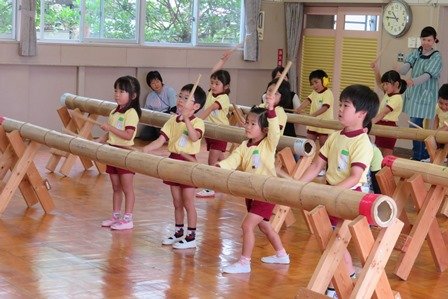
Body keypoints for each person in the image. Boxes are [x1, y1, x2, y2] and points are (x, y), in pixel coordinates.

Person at [299, 84, 379, 297]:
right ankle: (348, 277)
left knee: (335, 240)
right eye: (341, 104)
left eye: (346, 105)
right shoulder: (335, 136)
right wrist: (296, 185)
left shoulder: (363, 143)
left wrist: (330, 192)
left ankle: (337, 285)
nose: (340, 108)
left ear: (362, 114)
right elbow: (316, 166)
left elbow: (354, 177)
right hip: (332, 193)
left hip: (351, 197)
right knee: (331, 240)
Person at [219, 92, 290, 274]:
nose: (247, 126)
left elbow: (275, 130)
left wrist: (272, 109)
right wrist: (219, 166)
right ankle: (282, 254)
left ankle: (244, 262)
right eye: (247, 122)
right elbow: (232, 161)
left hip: (266, 192)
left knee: (247, 225)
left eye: (252, 124)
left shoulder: (268, 143)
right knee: (265, 225)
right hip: (251, 192)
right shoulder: (244, 146)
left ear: (264, 130)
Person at [143, 84, 207, 249]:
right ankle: (178, 232)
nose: (180, 100)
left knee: (188, 201)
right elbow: (160, 141)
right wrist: (144, 150)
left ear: (196, 106)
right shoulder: (172, 121)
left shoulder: (198, 122)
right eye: (180, 96)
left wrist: (186, 119)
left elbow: (194, 137)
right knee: (177, 201)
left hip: (189, 164)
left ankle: (191, 236)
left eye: (186, 98)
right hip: (173, 162)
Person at [99, 76, 142, 230]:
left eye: (122, 91)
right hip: (112, 152)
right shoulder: (113, 112)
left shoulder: (131, 113)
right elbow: (109, 135)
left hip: (125, 154)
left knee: (126, 188)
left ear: (133, 95)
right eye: (116, 90)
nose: (117, 94)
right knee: (115, 187)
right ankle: (116, 216)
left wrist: (110, 129)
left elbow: (128, 135)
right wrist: (99, 141)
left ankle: (128, 218)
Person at [398, 26, 443, 161]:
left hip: (425, 94)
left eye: (429, 40)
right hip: (414, 94)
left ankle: (419, 155)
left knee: (414, 125)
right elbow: (406, 68)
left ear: (434, 40)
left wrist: (413, 81)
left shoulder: (436, 56)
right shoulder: (416, 52)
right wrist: (400, 69)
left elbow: (428, 75)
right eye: (424, 39)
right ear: (420, 39)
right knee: (415, 126)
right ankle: (421, 154)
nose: (426, 42)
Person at [196, 51, 233, 198]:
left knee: (212, 159)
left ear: (225, 86)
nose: (213, 85)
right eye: (212, 83)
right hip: (211, 131)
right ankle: (231, 176)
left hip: (220, 132)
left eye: (217, 83)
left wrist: (196, 121)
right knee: (221, 160)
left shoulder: (223, 98)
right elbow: (214, 71)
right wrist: (222, 60)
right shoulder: (211, 93)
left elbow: (211, 109)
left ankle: (210, 187)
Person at [371, 64, 407, 156]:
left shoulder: (397, 98)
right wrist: (376, 70)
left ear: (396, 84)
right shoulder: (388, 94)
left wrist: (371, 121)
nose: (384, 86)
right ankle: (378, 170)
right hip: (381, 124)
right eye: (384, 84)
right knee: (378, 154)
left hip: (389, 127)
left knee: (387, 155)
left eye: (387, 84)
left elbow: (384, 112)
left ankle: (386, 170)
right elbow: (379, 83)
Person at [295, 69, 334, 148]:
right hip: (313, 123)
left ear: (324, 81)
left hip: (324, 124)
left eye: (316, 82)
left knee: (323, 143)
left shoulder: (328, 93)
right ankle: (307, 159)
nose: (314, 85)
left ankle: (324, 159)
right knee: (309, 142)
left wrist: (313, 115)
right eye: (312, 84)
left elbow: (325, 108)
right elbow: (307, 100)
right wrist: (299, 108)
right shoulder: (314, 93)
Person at [139, 71, 177, 141]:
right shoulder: (150, 96)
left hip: (167, 117)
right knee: (144, 136)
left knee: (161, 129)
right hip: (154, 119)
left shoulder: (169, 90)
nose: (156, 85)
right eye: (153, 83)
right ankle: (160, 134)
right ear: (149, 85)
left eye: (157, 81)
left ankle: (162, 134)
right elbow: (146, 111)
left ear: (161, 81)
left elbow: (174, 109)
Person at [269, 65, 299, 137]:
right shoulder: (267, 96)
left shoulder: (293, 96)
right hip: (271, 130)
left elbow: (298, 114)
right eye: (279, 77)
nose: (282, 79)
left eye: (284, 77)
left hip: (288, 129)